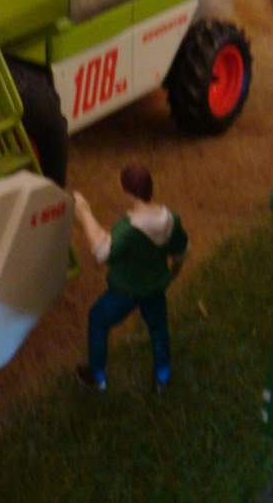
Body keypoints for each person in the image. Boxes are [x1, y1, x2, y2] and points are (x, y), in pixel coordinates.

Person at [72, 163, 188, 393]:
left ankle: (96, 376)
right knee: (158, 329)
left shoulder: (129, 228)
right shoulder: (171, 219)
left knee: (98, 319)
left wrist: (84, 212)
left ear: (125, 189)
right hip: (155, 289)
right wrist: (171, 275)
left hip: (125, 291)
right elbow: (181, 252)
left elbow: (102, 252)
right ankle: (162, 377)